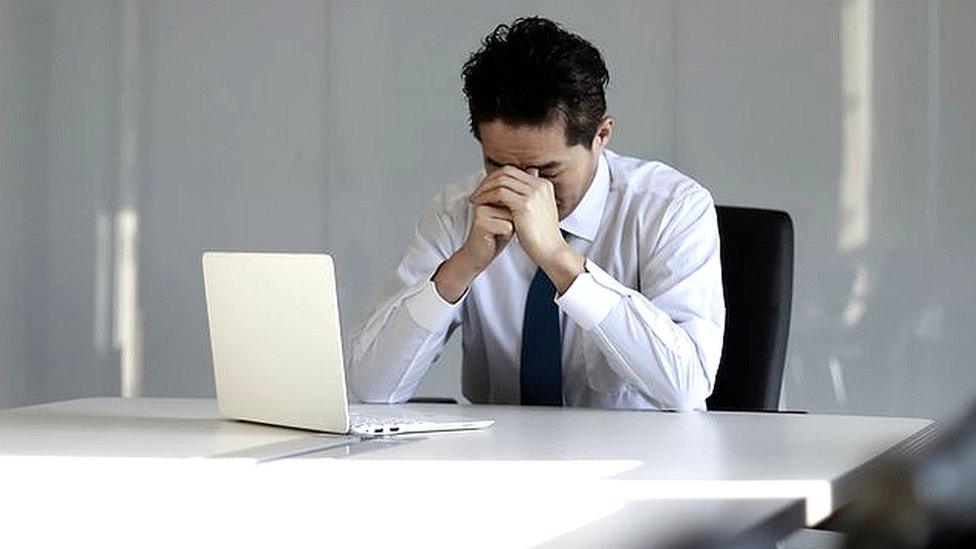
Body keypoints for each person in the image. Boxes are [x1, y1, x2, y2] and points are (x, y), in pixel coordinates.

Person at [349, 16, 725, 410]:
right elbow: (370, 389)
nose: (525, 189)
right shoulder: (458, 210)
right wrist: (460, 268)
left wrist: (560, 260)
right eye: (498, 165)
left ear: (601, 136)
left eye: (547, 171)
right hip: (497, 460)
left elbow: (687, 386)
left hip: (642, 461)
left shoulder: (671, 207)